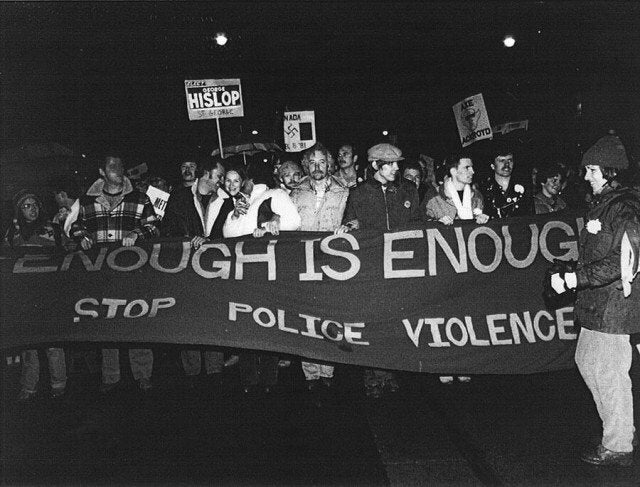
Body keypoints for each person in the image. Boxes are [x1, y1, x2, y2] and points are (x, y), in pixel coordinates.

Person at [549, 135, 640, 466]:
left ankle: (618, 444)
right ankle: (615, 432)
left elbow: (624, 261)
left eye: (591, 170)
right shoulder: (604, 205)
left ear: (609, 172)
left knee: (609, 372)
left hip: (613, 307)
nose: (585, 177)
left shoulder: (626, 208)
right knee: (588, 362)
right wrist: (573, 272)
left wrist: (576, 279)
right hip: (596, 305)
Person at [337, 143, 421, 398]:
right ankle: (372, 376)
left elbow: (418, 224)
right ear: (375, 166)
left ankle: (392, 372)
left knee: (396, 322)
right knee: (372, 322)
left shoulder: (408, 190)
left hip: (401, 266)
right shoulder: (359, 193)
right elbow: (351, 221)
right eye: (391, 163)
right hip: (372, 268)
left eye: (398, 163)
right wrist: (348, 227)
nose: (397, 168)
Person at [71, 152, 159, 393]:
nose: (118, 170)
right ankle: (111, 377)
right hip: (102, 275)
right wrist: (83, 238)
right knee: (107, 324)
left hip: (133, 272)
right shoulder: (87, 201)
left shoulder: (140, 198)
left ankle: (142, 374)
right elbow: (76, 226)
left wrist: (137, 234)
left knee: (136, 322)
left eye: (121, 166)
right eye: (112, 167)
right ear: (102, 172)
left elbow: (153, 226)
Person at [223, 161, 301, 393]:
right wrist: (235, 216)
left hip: (268, 269)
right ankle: (249, 380)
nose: (235, 185)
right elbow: (228, 233)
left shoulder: (274, 195)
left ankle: (269, 380)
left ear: (251, 181)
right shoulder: (240, 203)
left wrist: (269, 227)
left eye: (240, 180)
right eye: (229, 181)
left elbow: (294, 222)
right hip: (245, 271)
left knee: (267, 322)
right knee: (246, 323)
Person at [161, 157, 230, 386]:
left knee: (213, 317)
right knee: (188, 317)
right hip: (186, 269)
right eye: (219, 176)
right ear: (207, 174)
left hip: (214, 269)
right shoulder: (179, 197)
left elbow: (229, 234)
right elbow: (167, 232)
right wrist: (189, 240)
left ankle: (215, 371)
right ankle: (192, 374)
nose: (222, 181)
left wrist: (210, 241)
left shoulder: (226, 200)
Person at [423, 154, 488, 384]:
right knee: (444, 315)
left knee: (466, 313)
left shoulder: (477, 196)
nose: (471, 171)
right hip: (443, 264)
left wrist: (484, 223)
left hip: (467, 264)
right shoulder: (435, 197)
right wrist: (436, 223)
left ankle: (464, 363)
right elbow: (421, 226)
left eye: (472, 167)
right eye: (466, 167)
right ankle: (444, 364)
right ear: (453, 171)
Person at [290, 143, 349, 395]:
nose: (317, 167)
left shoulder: (344, 191)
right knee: (307, 319)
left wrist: (350, 226)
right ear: (306, 165)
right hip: (304, 263)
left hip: (332, 262)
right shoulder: (295, 193)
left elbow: (353, 219)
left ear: (329, 165)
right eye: (312, 163)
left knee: (330, 316)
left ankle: (328, 371)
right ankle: (310, 373)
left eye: (322, 162)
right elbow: (285, 223)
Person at [5, 190, 67, 402]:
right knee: (29, 344)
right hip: (24, 297)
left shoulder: (54, 230)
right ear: (19, 211)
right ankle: (28, 387)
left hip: (49, 294)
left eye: (35, 205)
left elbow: (72, 256)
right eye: (26, 206)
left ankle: (59, 384)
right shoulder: (12, 234)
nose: (32, 209)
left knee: (53, 344)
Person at [480, 146, 533, 219]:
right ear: (493, 166)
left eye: (510, 160)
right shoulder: (484, 190)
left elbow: (531, 216)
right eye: (502, 161)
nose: (507, 164)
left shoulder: (524, 189)